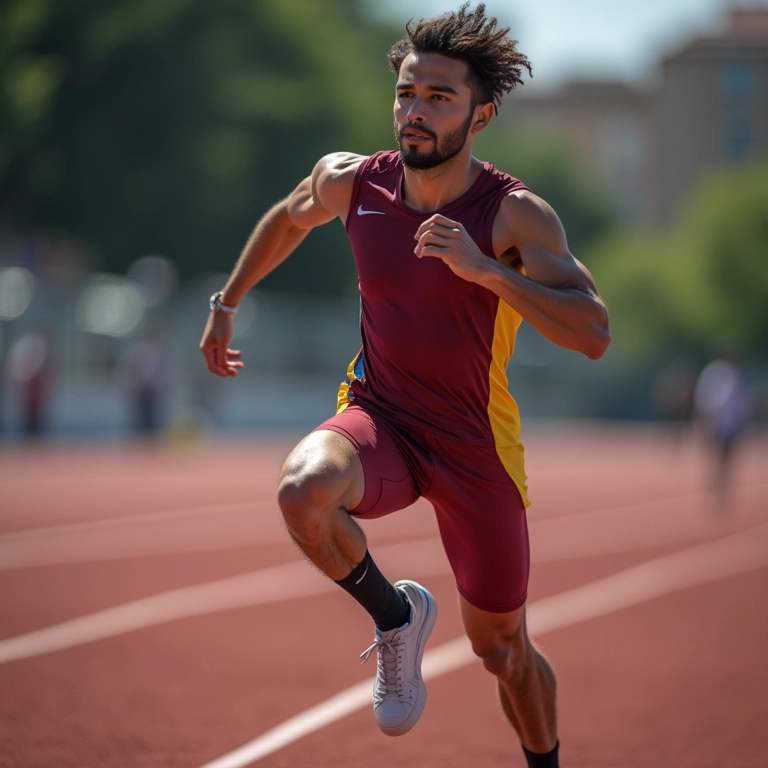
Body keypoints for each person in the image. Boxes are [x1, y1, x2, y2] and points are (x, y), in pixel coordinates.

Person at [200, 5, 610, 766]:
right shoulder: (354, 183)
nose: (414, 113)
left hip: (474, 447)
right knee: (301, 492)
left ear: (481, 114)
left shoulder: (513, 214)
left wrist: (486, 271)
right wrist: (227, 303)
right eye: (407, 94)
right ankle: (394, 617)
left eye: (438, 99)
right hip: (380, 416)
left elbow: (593, 332)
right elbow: (289, 219)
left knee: (503, 652)